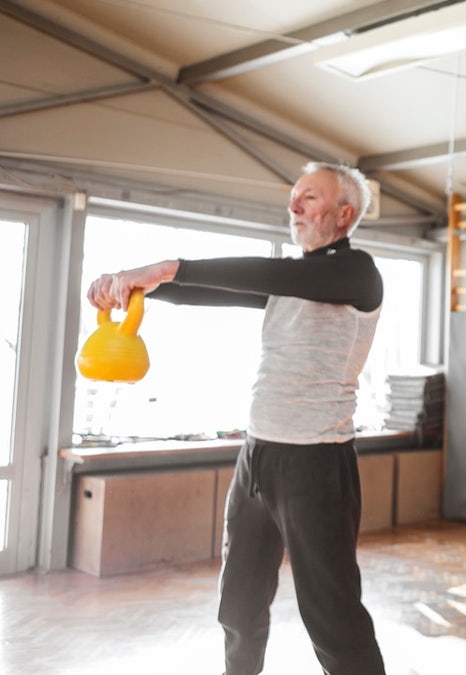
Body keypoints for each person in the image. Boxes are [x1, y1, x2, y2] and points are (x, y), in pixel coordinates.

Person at [86, 162, 387, 675]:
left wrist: (166, 267)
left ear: (344, 214)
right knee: (239, 608)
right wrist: (137, 287)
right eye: (293, 196)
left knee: (333, 620)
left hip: (317, 464)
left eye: (309, 198)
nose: (293, 206)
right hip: (257, 459)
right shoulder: (291, 281)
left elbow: (268, 274)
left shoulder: (356, 274)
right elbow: (218, 289)